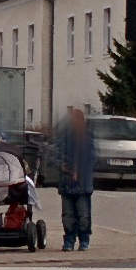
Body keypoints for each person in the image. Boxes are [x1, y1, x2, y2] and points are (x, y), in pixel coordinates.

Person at [52, 105, 95, 251]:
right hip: (67, 183)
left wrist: (80, 170)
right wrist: (62, 166)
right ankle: (69, 240)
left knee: (83, 216)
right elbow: (56, 155)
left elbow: (92, 158)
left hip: (82, 184)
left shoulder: (87, 137)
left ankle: (84, 240)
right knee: (68, 216)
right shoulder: (64, 138)